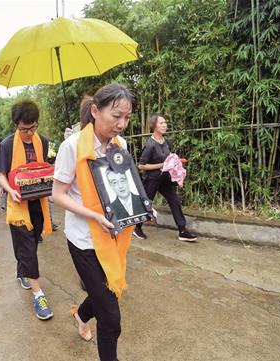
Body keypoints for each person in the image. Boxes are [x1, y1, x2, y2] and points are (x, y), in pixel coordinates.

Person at [52, 84, 135, 361]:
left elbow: (124, 187)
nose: (122, 124)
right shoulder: (72, 146)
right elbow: (58, 195)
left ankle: (81, 314)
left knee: (105, 293)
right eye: (116, 116)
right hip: (84, 241)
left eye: (127, 118)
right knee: (112, 319)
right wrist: (93, 215)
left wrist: (142, 210)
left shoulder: (120, 145)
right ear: (95, 111)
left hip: (112, 237)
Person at [0, 100, 53, 320]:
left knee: (32, 243)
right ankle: (39, 295)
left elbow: (44, 169)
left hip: (38, 203)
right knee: (27, 248)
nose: (29, 133)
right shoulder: (8, 145)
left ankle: (23, 272)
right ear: (16, 125)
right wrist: (10, 190)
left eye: (32, 128)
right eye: (23, 129)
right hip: (18, 203)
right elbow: (0, 174)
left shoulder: (43, 142)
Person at [134, 114, 197, 242]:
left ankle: (182, 230)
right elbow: (141, 165)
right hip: (151, 179)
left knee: (175, 201)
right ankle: (137, 227)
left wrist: (176, 167)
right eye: (161, 123)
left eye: (165, 123)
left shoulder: (166, 141)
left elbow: (168, 160)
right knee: (147, 203)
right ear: (154, 126)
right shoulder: (150, 145)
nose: (165, 125)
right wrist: (162, 165)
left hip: (165, 179)